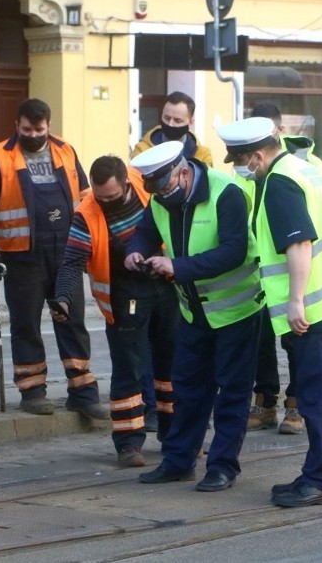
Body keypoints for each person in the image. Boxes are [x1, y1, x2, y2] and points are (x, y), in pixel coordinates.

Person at [217, 117, 322, 507]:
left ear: (256, 155)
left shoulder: (279, 182)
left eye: (238, 159)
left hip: (316, 303)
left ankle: (320, 479)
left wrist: (296, 302)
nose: (236, 166)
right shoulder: (302, 167)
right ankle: (318, 472)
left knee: (318, 396)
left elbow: (299, 243)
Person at [126, 140, 264, 492]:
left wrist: (177, 266)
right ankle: (178, 461)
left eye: (165, 186)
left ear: (184, 172)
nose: (160, 195)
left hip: (237, 311)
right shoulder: (159, 199)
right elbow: (145, 232)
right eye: (154, 190)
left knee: (231, 393)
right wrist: (136, 252)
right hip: (193, 313)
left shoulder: (226, 192)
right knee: (188, 389)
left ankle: (222, 468)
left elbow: (234, 252)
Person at [0, 98, 108, 419]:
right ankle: (32, 391)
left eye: (39, 129)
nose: (33, 135)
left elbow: (87, 201)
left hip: (66, 253)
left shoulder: (66, 151)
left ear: (49, 126)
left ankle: (83, 390)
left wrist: (93, 242)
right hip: (21, 256)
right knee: (26, 324)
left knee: (72, 320)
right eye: (26, 129)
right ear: (17, 125)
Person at [53, 155, 178, 467]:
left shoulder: (146, 185)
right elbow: (72, 263)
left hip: (167, 285)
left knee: (174, 367)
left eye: (112, 196)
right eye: (100, 196)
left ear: (126, 182)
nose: (105, 202)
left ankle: (177, 437)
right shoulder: (87, 213)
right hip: (125, 297)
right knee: (129, 370)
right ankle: (128, 444)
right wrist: (64, 299)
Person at [243, 104, 322, 435]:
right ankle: (264, 404)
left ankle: (295, 407)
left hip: (296, 274)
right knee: (260, 342)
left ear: (275, 133)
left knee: (296, 345)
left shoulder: (303, 164)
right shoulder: (251, 165)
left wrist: (308, 235)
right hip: (261, 276)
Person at [131, 90, 214, 431]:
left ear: (190, 121)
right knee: (152, 343)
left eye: (179, 121)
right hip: (155, 261)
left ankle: (181, 410)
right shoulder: (141, 152)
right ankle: (155, 407)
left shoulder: (203, 155)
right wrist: (141, 250)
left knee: (178, 344)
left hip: (186, 264)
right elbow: (144, 208)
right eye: (167, 118)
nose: (172, 124)